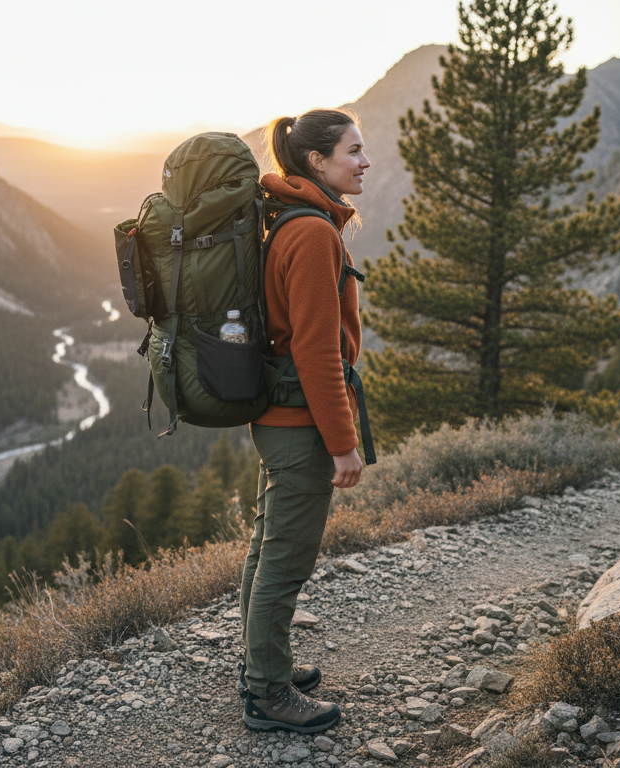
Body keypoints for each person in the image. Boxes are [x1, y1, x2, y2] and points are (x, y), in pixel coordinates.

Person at [239, 108, 371, 734]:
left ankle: (262, 667)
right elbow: (317, 351)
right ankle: (267, 694)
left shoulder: (289, 217)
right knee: (285, 562)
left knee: (267, 549)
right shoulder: (314, 233)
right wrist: (343, 444)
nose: (364, 161)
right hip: (300, 424)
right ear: (317, 161)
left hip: (278, 416)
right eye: (353, 150)